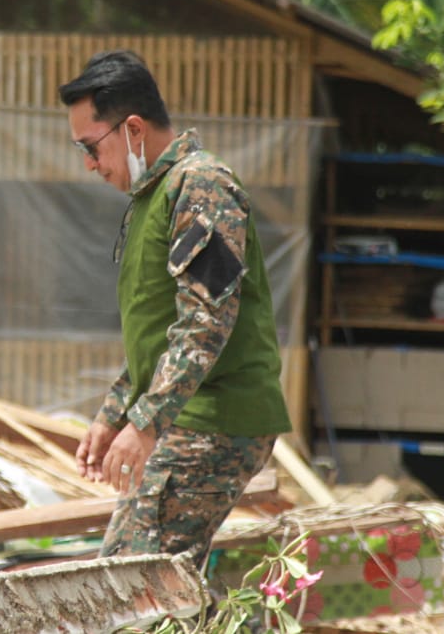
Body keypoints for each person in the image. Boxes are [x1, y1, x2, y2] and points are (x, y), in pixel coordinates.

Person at [59, 49, 291, 567]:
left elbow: (206, 321)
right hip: (188, 416)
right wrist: (113, 414)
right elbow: (162, 335)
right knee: (145, 588)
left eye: (91, 147)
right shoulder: (155, 196)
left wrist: (142, 424)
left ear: (133, 129)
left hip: (213, 416)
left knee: (134, 588)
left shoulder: (201, 185)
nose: (89, 164)